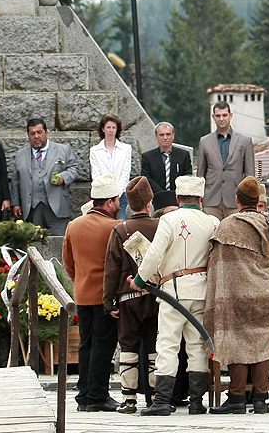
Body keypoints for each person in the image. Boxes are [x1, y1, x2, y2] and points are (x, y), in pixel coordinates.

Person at [132, 175, 218, 416]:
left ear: (179, 198)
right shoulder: (212, 221)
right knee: (196, 347)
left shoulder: (169, 219)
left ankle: (161, 402)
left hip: (175, 289)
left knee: (168, 344)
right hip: (201, 288)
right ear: (200, 198)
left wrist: (140, 280)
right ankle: (196, 402)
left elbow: (154, 254)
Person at [206, 176, 269, 415]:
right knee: (262, 343)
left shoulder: (227, 225)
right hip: (266, 291)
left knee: (236, 342)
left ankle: (237, 397)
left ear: (237, 200)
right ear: (258, 200)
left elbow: (216, 262)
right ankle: (260, 399)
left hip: (236, 294)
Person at [63, 173, 122, 412]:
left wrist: (80, 281)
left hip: (82, 293)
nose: (119, 205)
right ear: (109, 202)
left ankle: (85, 395)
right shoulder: (115, 227)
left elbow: (68, 262)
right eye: (117, 200)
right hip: (106, 296)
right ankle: (97, 395)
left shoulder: (73, 225)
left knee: (86, 345)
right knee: (103, 346)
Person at [103, 176, 160, 413]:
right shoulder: (160, 226)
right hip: (157, 297)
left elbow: (112, 268)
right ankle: (157, 398)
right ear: (149, 204)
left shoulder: (120, 229)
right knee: (155, 349)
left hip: (128, 299)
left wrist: (108, 300)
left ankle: (129, 400)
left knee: (128, 347)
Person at [10, 118, 80, 235]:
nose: (36, 136)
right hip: (31, 209)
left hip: (57, 208)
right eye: (32, 133)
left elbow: (75, 169)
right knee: (34, 245)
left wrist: (63, 177)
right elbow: (15, 181)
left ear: (46, 132)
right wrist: (16, 203)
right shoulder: (20, 155)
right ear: (28, 135)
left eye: (39, 132)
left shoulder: (63, 150)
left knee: (60, 244)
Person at [196, 102, 254, 220]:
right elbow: (200, 174)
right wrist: (199, 198)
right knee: (211, 236)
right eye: (218, 116)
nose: (221, 119)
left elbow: (250, 175)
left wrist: (248, 200)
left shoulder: (245, 141)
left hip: (236, 199)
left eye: (224, 115)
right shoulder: (204, 141)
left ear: (230, 115)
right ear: (213, 117)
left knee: (235, 235)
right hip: (211, 199)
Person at [90, 114, 132, 219]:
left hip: (121, 196)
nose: (111, 130)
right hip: (102, 197)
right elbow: (96, 175)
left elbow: (125, 173)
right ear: (103, 129)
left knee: (122, 224)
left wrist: (117, 193)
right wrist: (107, 193)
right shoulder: (94, 151)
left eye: (114, 127)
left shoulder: (126, 149)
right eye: (108, 127)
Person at [140, 121, 192, 195]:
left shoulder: (184, 155)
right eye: (161, 135)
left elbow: (188, 177)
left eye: (168, 134)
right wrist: (162, 194)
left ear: (173, 135)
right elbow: (146, 178)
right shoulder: (147, 157)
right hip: (156, 197)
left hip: (178, 197)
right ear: (156, 136)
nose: (165, 138)